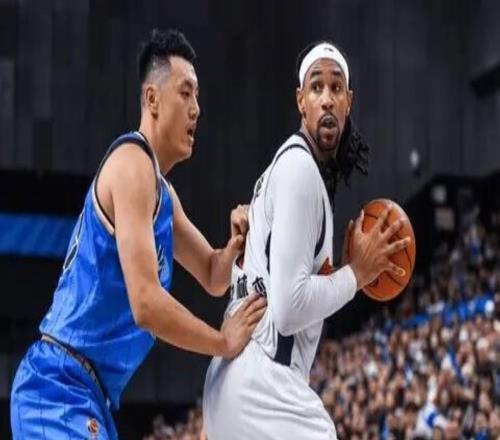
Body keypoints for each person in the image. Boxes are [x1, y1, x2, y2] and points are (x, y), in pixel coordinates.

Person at [10, 29, 266, 440]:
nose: (197, 109)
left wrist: (240, 241)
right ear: (152, 99)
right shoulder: (132, 164)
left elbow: (213, 275)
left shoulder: (163, 194)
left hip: (90, 396)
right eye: (186, 93)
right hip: (56, 384)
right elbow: (146, 304)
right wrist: (222, 342)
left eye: (198, 97)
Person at [203, 40, 410, 439]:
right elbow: (289, 308)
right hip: (262, 386)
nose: (327, 98)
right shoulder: (299, 169)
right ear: (301, 101)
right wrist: (357, 274)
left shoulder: (284, 169)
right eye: (316, 87)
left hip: (233, 383)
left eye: (336, 88)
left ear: (349, 102)